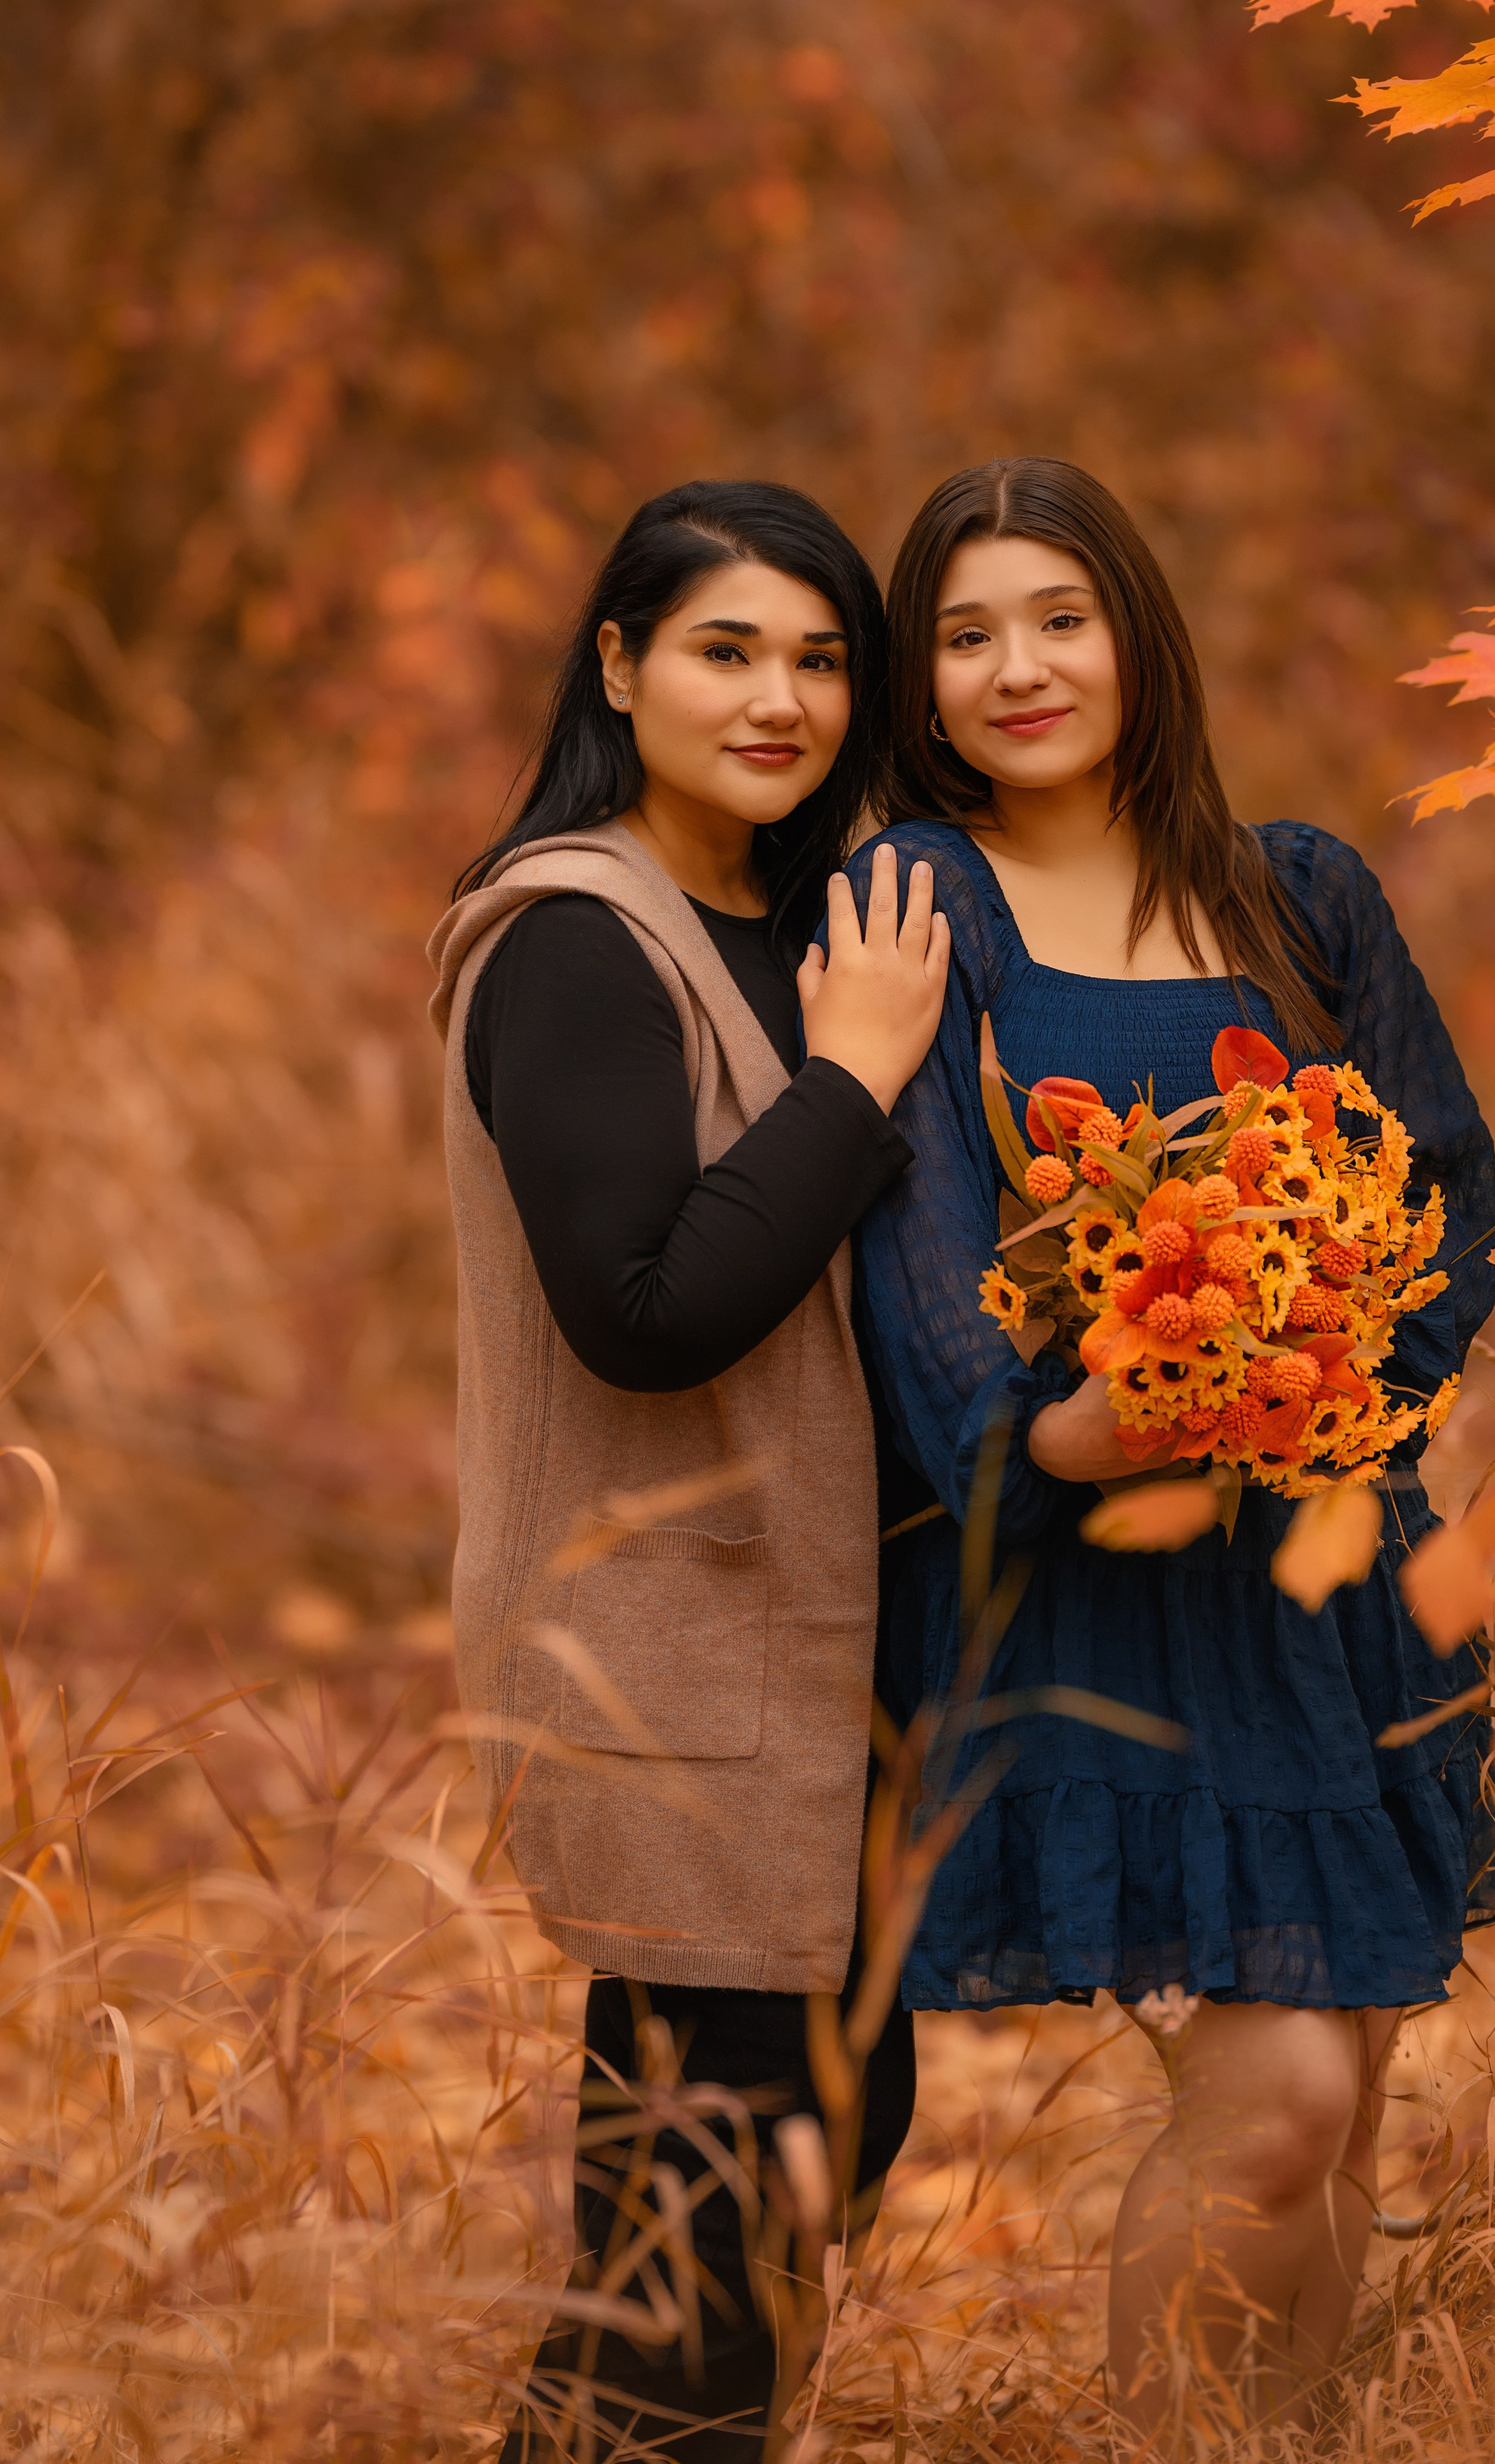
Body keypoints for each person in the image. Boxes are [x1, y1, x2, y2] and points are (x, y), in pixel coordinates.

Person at [842, 456, 1495, 2435]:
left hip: (1327, 1549)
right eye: (963, 637)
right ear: (920, 681)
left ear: (1140, 632)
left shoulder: (1298, 890)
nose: (1018, 668)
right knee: (1279, 2094)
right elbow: (920, 1249)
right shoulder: (923, 907)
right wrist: (1071, 1422)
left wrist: (1331, 1373)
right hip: (1094, 1572)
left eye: (1060, 616)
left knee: (1346, 2094)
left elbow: (1445, 1195)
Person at [426, 480, 950, 2462]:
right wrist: (854, 1079)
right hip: (676, 1650)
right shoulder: (576, 938)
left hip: (821, 1638)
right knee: (712, 2214)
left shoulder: (799, 922)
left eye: (825, 659)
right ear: (623, 664)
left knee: (776, 2163)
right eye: (729, 649)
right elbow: (641, 1309)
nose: (783, 698)